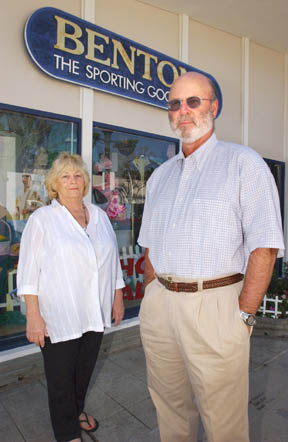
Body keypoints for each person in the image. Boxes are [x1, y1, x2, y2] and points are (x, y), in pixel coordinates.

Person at [138, 72, 285, 442]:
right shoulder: (159, 177)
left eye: (193, 102)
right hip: (160, 308)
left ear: (213, 107)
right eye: (175, 104)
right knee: (169, 412)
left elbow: (265, 246)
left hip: (217, 306)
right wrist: (152, 297)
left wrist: (244, 316)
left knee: (224, 424)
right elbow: (150, 247)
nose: (183, 111)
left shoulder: (243, 163)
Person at [17, 152, 125, 442]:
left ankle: (76, 411)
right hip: (58, 316)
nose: (72, 181)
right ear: (55, 183)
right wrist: (33, 316)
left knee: (83, 371)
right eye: (65, 176)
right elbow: (27, 272)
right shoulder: (43, 219)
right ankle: (67, 434)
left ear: (86, 181)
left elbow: (112, 260)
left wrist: (117, 298)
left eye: (77, 175)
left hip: (94, 312)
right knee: (61, 380)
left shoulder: (99, 217)